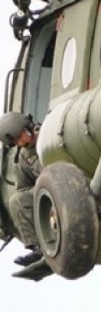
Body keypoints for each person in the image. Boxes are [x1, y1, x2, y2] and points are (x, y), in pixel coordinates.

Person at [0, 111, 42, 267]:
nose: (20, 143)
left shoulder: (49, 136)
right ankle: (37, 248)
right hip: (50, 193)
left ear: (26, 129)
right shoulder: (24, 157)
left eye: (19, 137)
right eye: (15, 142)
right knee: (17, 200)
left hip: (72, 181)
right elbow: (23, 188)